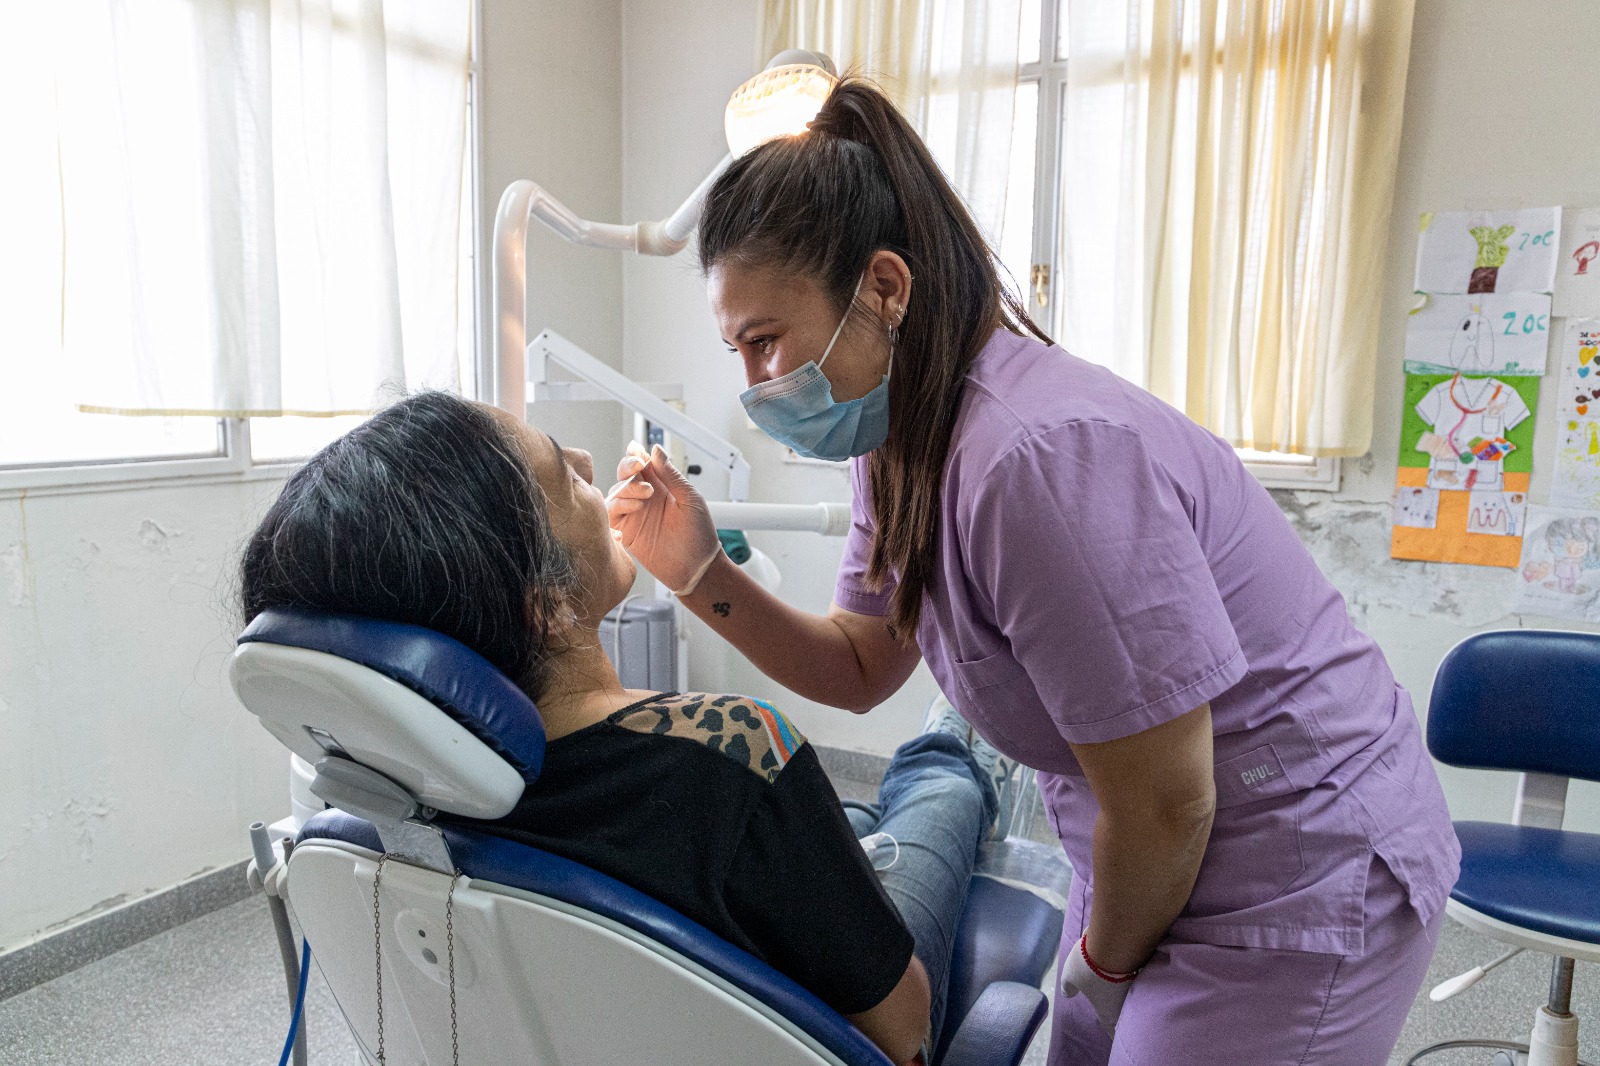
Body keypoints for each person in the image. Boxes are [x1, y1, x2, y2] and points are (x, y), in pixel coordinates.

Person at [604, 77, 1462, 1064]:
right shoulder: (894, 437)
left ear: (884, 287)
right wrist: (697, 567)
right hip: (1143, 838)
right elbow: (858, 663)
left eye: (766, 342)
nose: (756, 385)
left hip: (1294, 858)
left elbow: (1169, 802)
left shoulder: (1035, 459)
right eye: (737, 352)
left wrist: (1100, 970)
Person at [236, 390, 1015, 1065]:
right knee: (938, 778)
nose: (582, 456)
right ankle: (961, 740)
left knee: (851, 820)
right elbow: (903, 1026)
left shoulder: (378, 818)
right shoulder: (733, 754)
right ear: (543, 604)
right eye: (558, 472)